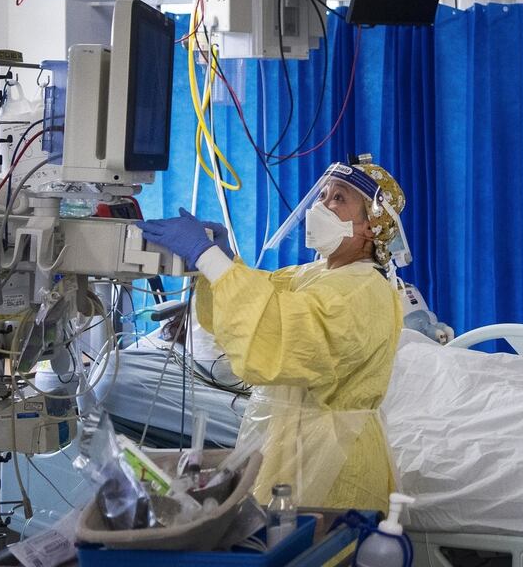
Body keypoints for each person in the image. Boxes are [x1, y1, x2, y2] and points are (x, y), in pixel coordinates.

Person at [135, 156, 405, 512]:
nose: (322, 206)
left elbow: (279, 330)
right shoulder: (319, 273)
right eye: (323, 195)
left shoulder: (361, 290)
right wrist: (226, 263)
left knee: (320, 542)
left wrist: (208, 256)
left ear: (371, 226)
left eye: (339, 198)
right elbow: (264, 296)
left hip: (334, 461)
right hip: (294, 445)